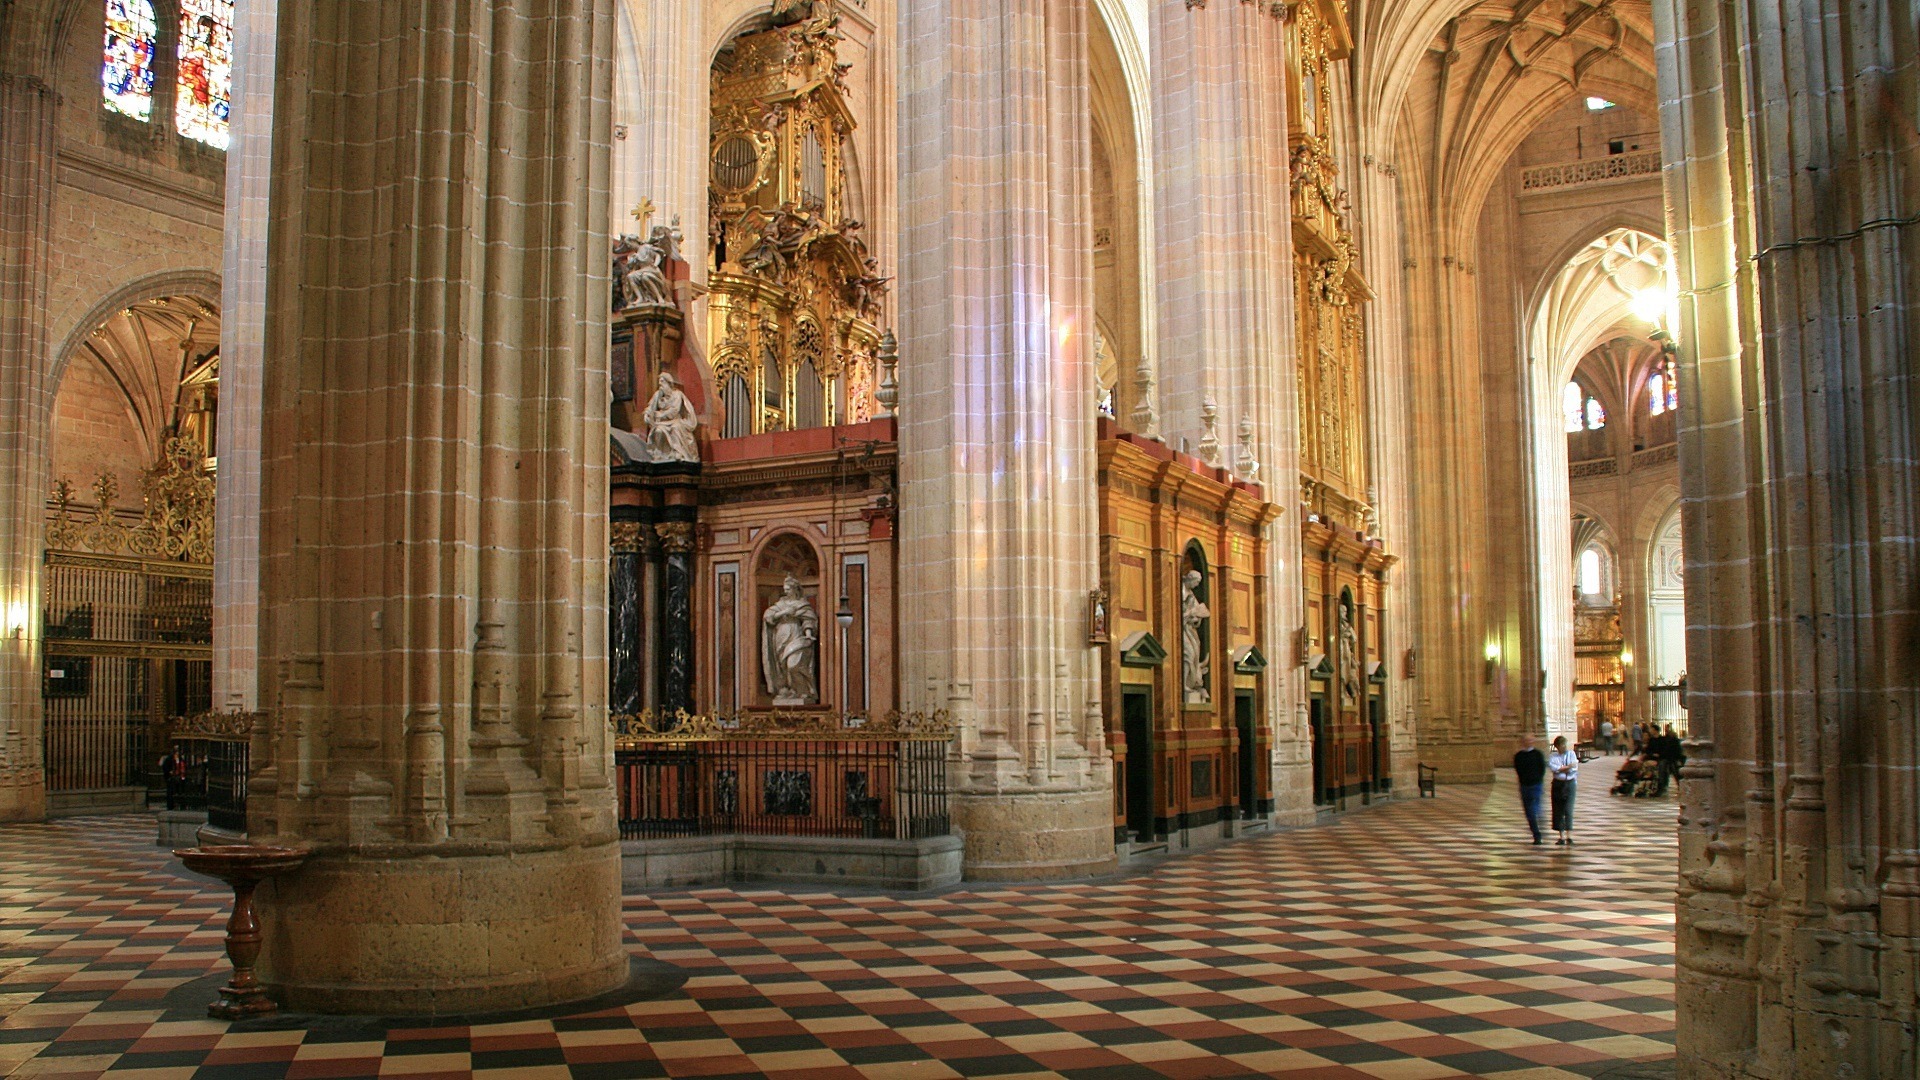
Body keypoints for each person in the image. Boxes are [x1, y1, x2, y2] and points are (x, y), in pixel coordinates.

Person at [1513, 734, 1549, 845]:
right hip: (1525, 786)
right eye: (1526, 740)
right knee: (1529, 812)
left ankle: (1539, 828)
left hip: (1536, 785)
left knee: (1534, 808)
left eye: (1530, 740)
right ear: (1522, 742)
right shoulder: (1519, 756)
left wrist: (1538, 779)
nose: (1528, 742)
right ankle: (1536, 833)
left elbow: (1542, 769)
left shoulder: (1537, 754)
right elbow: (1518, 769)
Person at [1548, 735, 1579, 844]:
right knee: (1558, 810)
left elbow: (1574, 768)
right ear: (1557, 746)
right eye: (1562, 745)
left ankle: (1569, 836)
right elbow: (1554, 768)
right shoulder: (1553, 756)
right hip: (1558, 784)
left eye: (1565, 744)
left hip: (1570, 783)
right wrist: (1567, 767)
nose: (1565, 747)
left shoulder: (1571, 754)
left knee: (1568, 810)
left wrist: (1562, 769)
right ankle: (1561, 837)